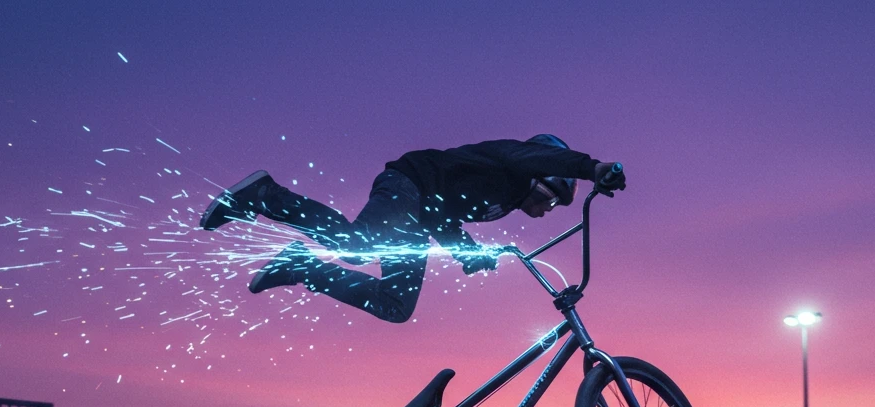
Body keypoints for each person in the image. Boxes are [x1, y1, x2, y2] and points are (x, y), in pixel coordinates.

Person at [199, 135, 626, 323]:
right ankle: (264, 195)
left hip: (419, 217)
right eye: (551, 200)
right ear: (540, 177)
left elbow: (444, 214)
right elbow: (537, 157)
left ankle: (302, 267)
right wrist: (592, 168)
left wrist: (466, 252)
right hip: (408, 184)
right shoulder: (512, 162)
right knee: (357, 247)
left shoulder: (503, 200)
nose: (547, 210)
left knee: (396, 307)